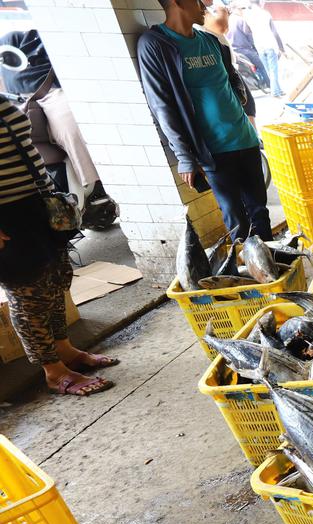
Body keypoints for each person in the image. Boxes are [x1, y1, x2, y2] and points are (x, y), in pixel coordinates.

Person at [0, 97, 119, 396]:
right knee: (28, 294)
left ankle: (64, 350)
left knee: (55, 280)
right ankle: (52, 371)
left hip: (38, 203)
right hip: (6, 215)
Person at [138, 0, 271, 241]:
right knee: (236, 220)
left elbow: (232, 84)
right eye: (197, 1)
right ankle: (249, 276)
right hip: (214, 150)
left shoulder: (211, 41)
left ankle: (274, 271)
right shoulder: (155, 45)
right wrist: (184, 157)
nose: (203, 6)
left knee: (260, 213)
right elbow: (161, 106)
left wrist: (248, 120)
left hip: (245, 139)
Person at [0, 29, 118, 230]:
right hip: (22, 99)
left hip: (52, 93)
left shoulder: (50, 34)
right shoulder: (10, 41)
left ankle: (96, 186)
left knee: (70, 127)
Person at [200, 5, 257, 124]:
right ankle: (252, 138)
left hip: (226, 64)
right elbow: (221, 26)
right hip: (220, 66)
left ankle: (253, 138)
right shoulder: (198, 9)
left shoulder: (205, 9)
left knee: (247, 104)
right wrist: (223, 10)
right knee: (245, 105)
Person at [243, 0, 284, 97]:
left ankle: (278, 89)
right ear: (260, 3)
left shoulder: (248, 16)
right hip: (270, 45)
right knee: (273, 70)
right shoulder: (265, 14)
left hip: (259, 46)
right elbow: (275, 32)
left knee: (268, 70)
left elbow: (246, 31)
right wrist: (281, 47)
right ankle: (276, 92)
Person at [226, 3, 267, 89]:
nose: (242, 11)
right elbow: (249, 34)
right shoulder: (240, 20)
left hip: (234, 51)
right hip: (245, 50)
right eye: (241, 9)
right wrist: (254, 47)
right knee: (262, 66)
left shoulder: (227, 20)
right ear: (235, 9)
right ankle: (269, 84)